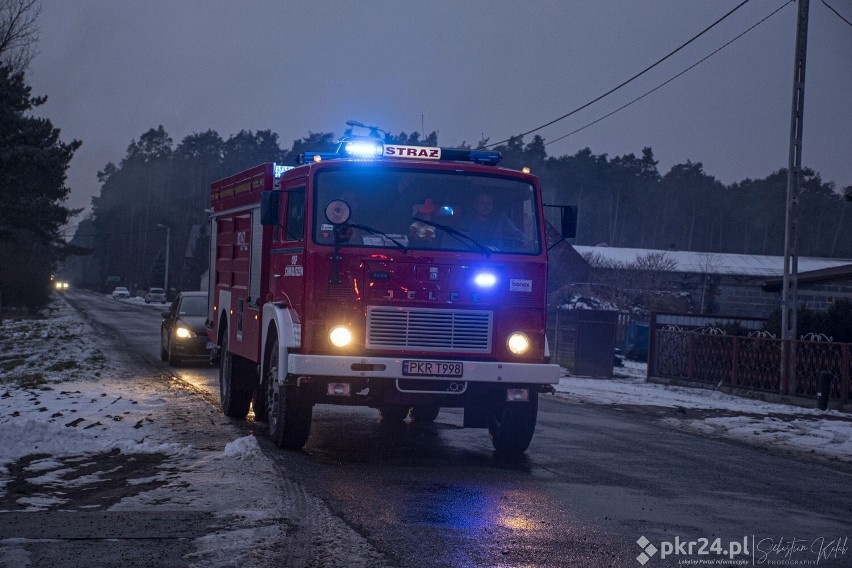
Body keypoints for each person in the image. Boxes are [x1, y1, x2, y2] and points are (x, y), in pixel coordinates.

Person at [462, 191, 529, 249]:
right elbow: (460, 239)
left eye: (489, 203)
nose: (486, 206)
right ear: (475, 204)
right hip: (472, 255)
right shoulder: (466, 220)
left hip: (497, 256)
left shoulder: (500, 218)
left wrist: (527, 241)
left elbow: (515, 232)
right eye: (482, 203)